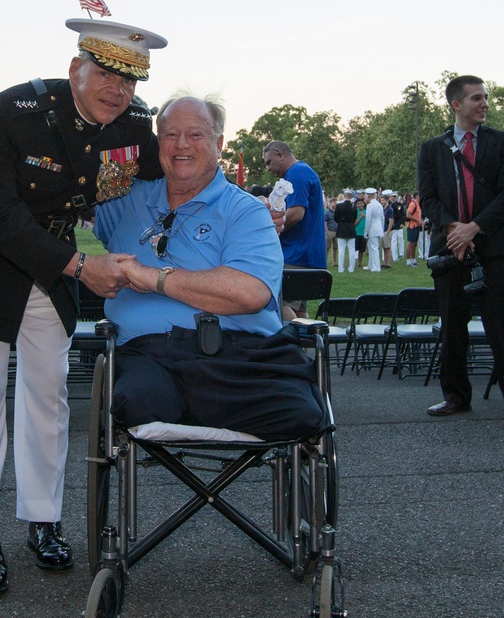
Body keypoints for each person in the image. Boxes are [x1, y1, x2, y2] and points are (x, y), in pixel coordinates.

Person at [0, 17, 167, 597]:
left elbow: (174, 180)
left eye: (130, 81)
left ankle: (42, 520)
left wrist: (241, 204)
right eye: (107, 73)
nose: (118, 90)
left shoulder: (135, 127)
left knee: (48, 391)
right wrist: (82, 267)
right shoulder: (10, 114)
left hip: (51, 264)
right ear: (74, 69)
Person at [94, 95, 327, 439]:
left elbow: (249, 292)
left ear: (219, 143)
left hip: (241, 356)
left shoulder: (246, 211)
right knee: (136, 403)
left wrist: (154, 278)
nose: (181, 145)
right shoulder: (125, 200)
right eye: (170, 135)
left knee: (299, 415)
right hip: (149, 356)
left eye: (196, 134)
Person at [418, 74, 504, 431]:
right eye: (476, 98)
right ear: (456, 104)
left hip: (493, 248)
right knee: (452, 325)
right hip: (451, 248)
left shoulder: (500, 142)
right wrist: (454, 228)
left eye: (485, 97)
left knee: (502, 327)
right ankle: (456, 396)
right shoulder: (432, 148)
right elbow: (428, 200)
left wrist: (474, 227)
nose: (484, 103)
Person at [263, 140, 326, 317]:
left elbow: (297, 213)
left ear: (280, 154)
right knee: (298, 310)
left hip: (296, 255)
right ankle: (306, 344)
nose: (268, 168)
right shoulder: (303, 171)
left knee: (277, 304)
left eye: (269, 162)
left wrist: (269, 229)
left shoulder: (296, 173)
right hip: (305, 255)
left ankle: (292, 344)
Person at [334, 189, 358, 273]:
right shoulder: (354, 207)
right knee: (352, 250)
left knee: (341, 250)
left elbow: (336, 218)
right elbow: (354, 218)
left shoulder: (339, 206)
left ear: (344, 196)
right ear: (351, 196)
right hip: (351, 229)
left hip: (341, 229)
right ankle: (351, 268)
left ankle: (341, 268)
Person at [363, 188, 384, 272]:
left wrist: (366, 231)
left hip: (373, 228)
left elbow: (368, 220)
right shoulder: (379, 204)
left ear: (368, 196)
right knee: (371, 247)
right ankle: (371, 264)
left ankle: (376, 267)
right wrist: (382, 229)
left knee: (374, 248)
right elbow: (382, 218)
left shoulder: (370, 205)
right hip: (378, 227)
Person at [405, 191, 423, 266]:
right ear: (416, 196)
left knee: (414, 243)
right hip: (412, 226)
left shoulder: (418, 204)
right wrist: (417, 220)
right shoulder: (413, 204)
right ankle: (408, 260)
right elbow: (408, 215)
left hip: (417, 225)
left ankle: (413, 259)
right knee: (410, 243)